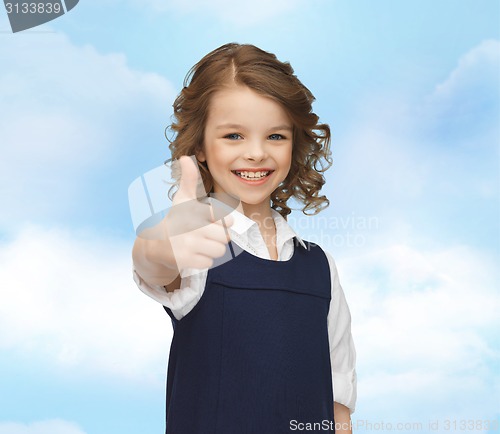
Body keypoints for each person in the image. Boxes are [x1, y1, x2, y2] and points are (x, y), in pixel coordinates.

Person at [132, 43, 357, 434]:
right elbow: (152, 262)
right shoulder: (195, 243)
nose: (256, 153)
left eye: (275, 136)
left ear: (295, 143)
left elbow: (338, 410)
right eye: (233, 136)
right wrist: (162, 241)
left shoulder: (320, 268)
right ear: (200, 145)